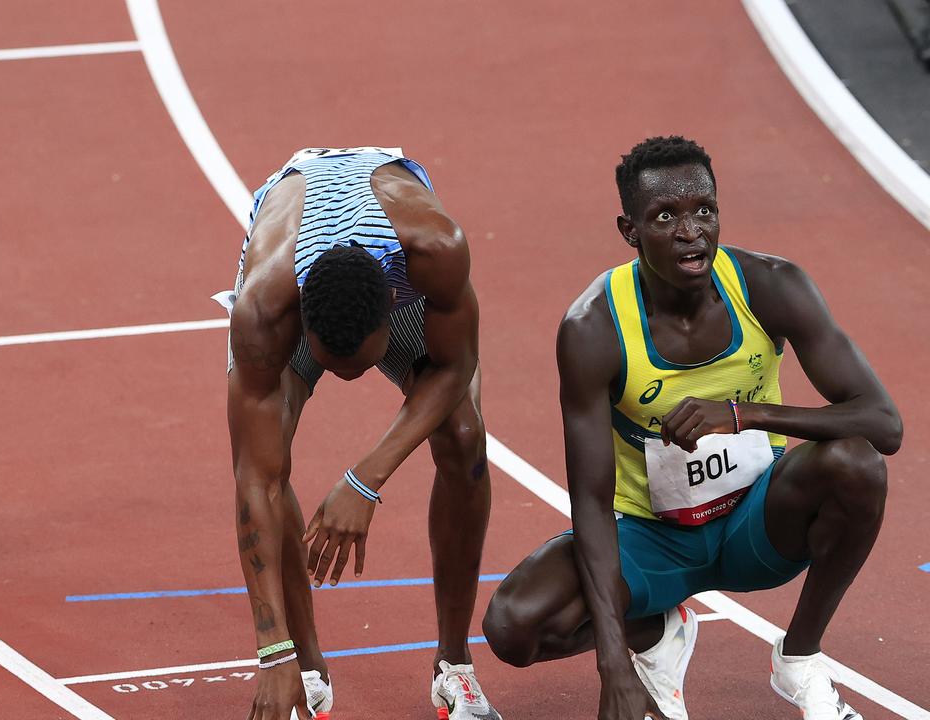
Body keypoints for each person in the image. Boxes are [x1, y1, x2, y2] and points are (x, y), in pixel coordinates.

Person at [481, 136, 901, 720]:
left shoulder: (771, 286)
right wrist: (614, 667)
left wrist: (742, 414)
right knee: (512, 626)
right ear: (629, 231)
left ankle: (799, 659)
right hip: (651, 537)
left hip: (758, 520)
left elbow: (883, 422)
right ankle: (654, 634)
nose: (691, 231)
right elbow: (592, 501)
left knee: (856, 463)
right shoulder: (593, 328)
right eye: (665, 216)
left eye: (704, 209)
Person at [222, 147, 500, 719]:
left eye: (361, 362)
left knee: (467, 441)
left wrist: (364, 480)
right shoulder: (264, 311)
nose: (348, 376)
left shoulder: (437, 252)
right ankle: (303, 667)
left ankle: (455, 665)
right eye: (332, 361)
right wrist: (269, 650)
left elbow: (454, 366)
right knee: (269, 449)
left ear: (393, 312)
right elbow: (255, 479)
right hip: (297, 276)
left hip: (396, 274)